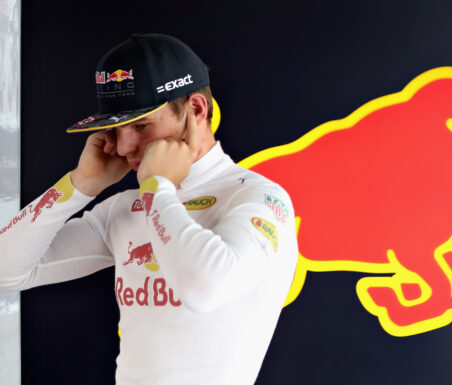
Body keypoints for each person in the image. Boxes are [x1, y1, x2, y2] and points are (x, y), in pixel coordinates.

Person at [0, 33, 298, 385]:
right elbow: (7, 269)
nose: (124, 146)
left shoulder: (258, 198)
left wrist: (158, 187)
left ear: (197, 110)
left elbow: (206, 288)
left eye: (141, 125)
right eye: (116, 128)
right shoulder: (124, 208)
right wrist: (81, 184)